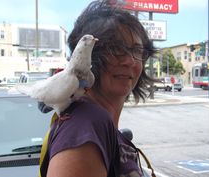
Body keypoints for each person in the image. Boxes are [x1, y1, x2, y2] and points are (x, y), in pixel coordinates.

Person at [39, 1, 157, 177]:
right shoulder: (86, 124)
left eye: (137, 51)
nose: (130, 61)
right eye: (116, 49)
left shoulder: (99, 123)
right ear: (90, 56)